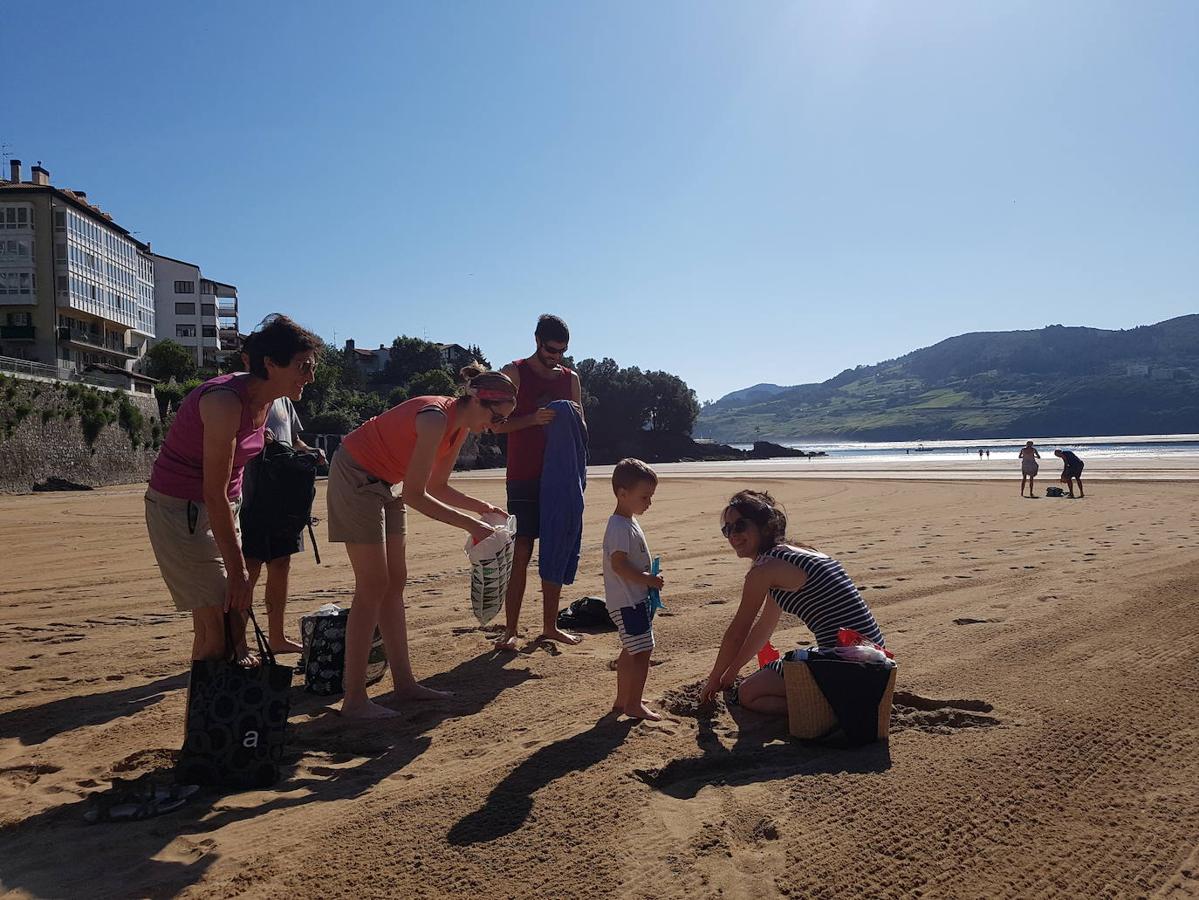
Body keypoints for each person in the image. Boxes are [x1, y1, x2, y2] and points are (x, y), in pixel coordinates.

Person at [326, 365, 516, 719]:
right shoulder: (434, 419)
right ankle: (354, 700)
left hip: (388, 484)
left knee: (395, 581)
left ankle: (405, 684)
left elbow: (437, 486)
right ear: (476, 399)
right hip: (356, 474)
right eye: (495, 417)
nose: (494, 427)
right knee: (372, 584)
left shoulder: (457, 429)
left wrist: (482, 507)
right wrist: (475, 526)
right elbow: (417, 495)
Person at [144, 314, 322, 662]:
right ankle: (211, 715)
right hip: (183, 511)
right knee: (217, 626)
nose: (310, 377)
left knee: (228, 617)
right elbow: (214, 491)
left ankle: (221, 707)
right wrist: (239, 569)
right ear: (270, 363)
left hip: (227, 506)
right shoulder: (224, 401)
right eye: (303, 367)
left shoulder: (268, 399)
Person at [699, 490, 885, 716]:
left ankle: (830, 711)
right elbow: (764, 627)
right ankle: (841, 703)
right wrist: (730, 672)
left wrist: (713, 680)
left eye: (740, 526)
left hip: (848, 668)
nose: (733, 535)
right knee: (764, 676)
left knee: (749, 693)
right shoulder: (799, 552)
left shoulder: (764, 571)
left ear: (765, 526)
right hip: (876, 662)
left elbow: (738, 632)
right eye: (727, 529)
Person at [491, 314, 586, 651]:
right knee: (522, 550)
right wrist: (533, 419)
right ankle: (511, 630)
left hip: (560, 479)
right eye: (550, 350)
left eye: (561, 351)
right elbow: (496, 425)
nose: (555, 357)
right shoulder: (514, 372)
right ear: (536, 340)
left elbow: (580, 430)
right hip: (523, 476)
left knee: (556, 550)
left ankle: (550, 626)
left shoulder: (571, 378)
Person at [239, 394, 327, 653]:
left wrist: (310, 451)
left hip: (285, 501)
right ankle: (237, 641)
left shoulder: (285, 402)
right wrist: (257, 440)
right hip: (252, 499)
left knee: (281, 565)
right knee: (249, 570)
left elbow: (294, 439)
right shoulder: (244, 396)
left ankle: (276, 638)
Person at [602, 459, 665, 721]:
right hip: (628, 601)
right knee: (642, 651)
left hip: (633, 599)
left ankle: (623, 699)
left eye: (650, 497)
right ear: (622, 494)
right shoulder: (618, 526)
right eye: (644, 497)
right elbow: (619, 565)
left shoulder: (628, 521)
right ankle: (634, 704)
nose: (648, 503)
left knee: (631, 648)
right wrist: (647, 580)